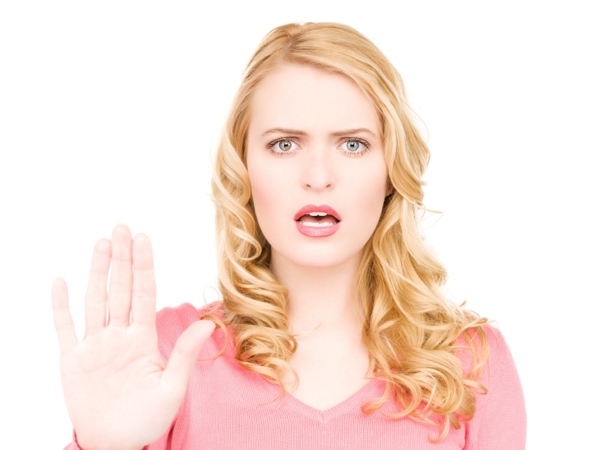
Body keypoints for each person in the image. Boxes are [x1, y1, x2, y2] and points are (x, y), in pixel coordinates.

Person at [52, 22, 526, 449]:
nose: (318, 177)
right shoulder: (168, 352)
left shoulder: (471, 364)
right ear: (243, 167)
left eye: (353, 144)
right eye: (284, 144)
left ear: (391, 171)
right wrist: (104, 448)